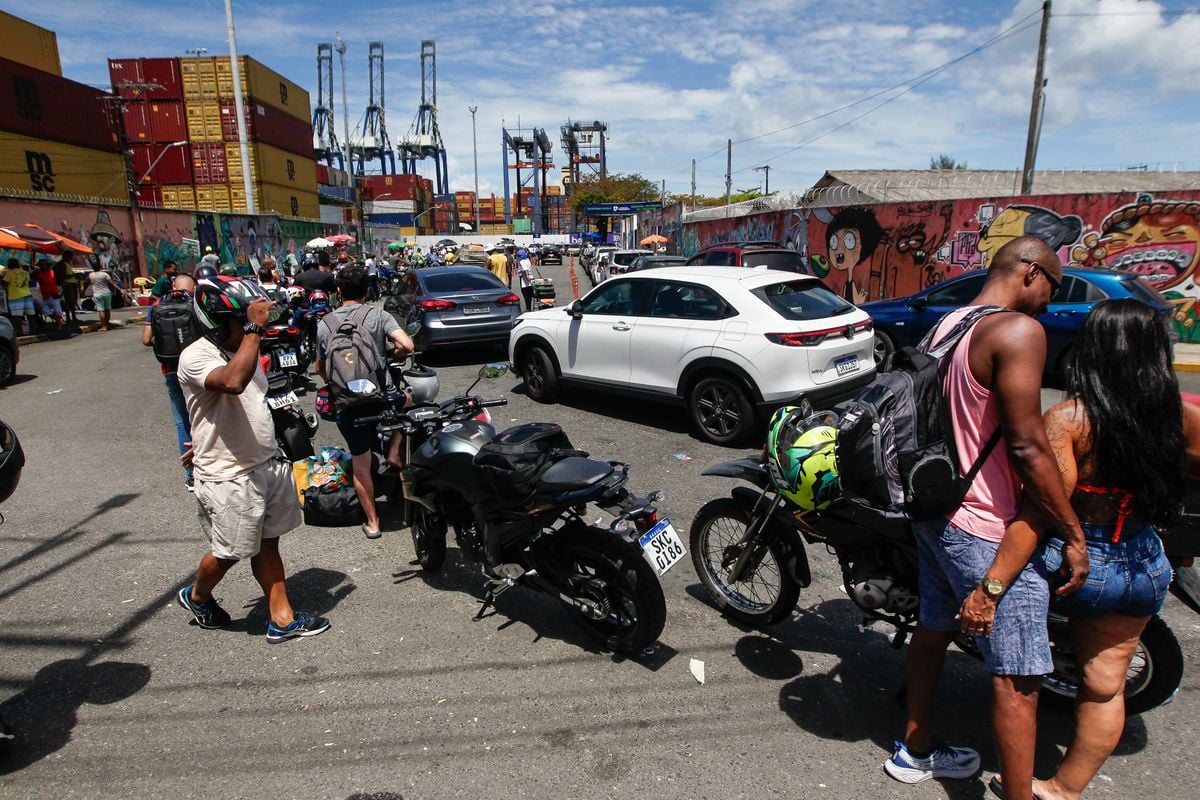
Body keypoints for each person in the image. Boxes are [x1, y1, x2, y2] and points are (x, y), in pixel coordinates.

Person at [966, 300, 1198, 800]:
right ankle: (1064, 789)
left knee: (1002, 639)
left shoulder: (1070, 419)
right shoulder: (1179, 416)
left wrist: (990, 587)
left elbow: (1043, 510)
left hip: (1076, 566)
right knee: (1105, 686)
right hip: (1142, 561)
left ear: (1092, 351)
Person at [885, 236, 1089, 800]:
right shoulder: (1018, 331)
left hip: (936, 508)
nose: (1051, 300)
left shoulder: (948, 323)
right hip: (985, 525)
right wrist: (1071, 531)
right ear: (1029, 272)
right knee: (1019, 678)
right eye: (1052, 283)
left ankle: (915, 751)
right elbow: (1027, 447)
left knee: (934, 627)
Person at [176, 274, 331, 642]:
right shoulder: (196, 355)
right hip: (228, 475)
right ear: (216, 321)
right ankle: (196, 595)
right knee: (229, 551)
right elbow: (232, 383)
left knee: (268, 542)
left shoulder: (244, 348)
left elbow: (246, 403)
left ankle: (281, 618)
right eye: (238, 320)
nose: (251, 328)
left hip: (265, 463)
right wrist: (252, 328)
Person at [315, 264, 414, 539]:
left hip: (348, 404)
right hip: (382, 399)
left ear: (338, 291)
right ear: (367, 290)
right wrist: (389, 356)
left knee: (360, 463)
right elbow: (407, 346)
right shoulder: (378, 315)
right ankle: (394, 448)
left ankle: (373, 522)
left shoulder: (325, 324)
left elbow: (320, 367)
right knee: (409, 401)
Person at [142, 273, 197, 490]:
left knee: (182, 421)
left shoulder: (157, 305)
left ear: (173, 285)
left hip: (170, 370)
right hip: (197, 369)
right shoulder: (196, 302)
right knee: (205, 416)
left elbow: (146, 339)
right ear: (193, 287)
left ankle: (191, 475)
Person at [2, 258, 35, 336]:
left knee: (17, 316)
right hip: (27, 295)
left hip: (15, 296)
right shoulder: (25, 272)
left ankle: (20, 332)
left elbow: (5, 283)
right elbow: (29, 282)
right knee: (31, 314)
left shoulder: (9, 272)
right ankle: (33, 330)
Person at [34, 259, 64, 331]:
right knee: (45, 311)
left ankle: (60, 325)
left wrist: (39, 275)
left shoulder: (51, 272)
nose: (42, 267)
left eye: (44, 265)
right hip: (45, 296)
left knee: (57, 311)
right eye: (41, 265)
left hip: (53, 295)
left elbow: (47, 281)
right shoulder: (39, 273)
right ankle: (59, 321)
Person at [55, 255, 81, 323]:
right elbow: (63, 276)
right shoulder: (62, 264)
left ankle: (73, 317)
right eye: (70, 257)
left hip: (71, 284)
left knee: (72, 301)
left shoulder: (67, 264)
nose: (71, 259)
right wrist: (73, 275)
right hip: (67, 284)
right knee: (69, 302)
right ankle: (69, 318)